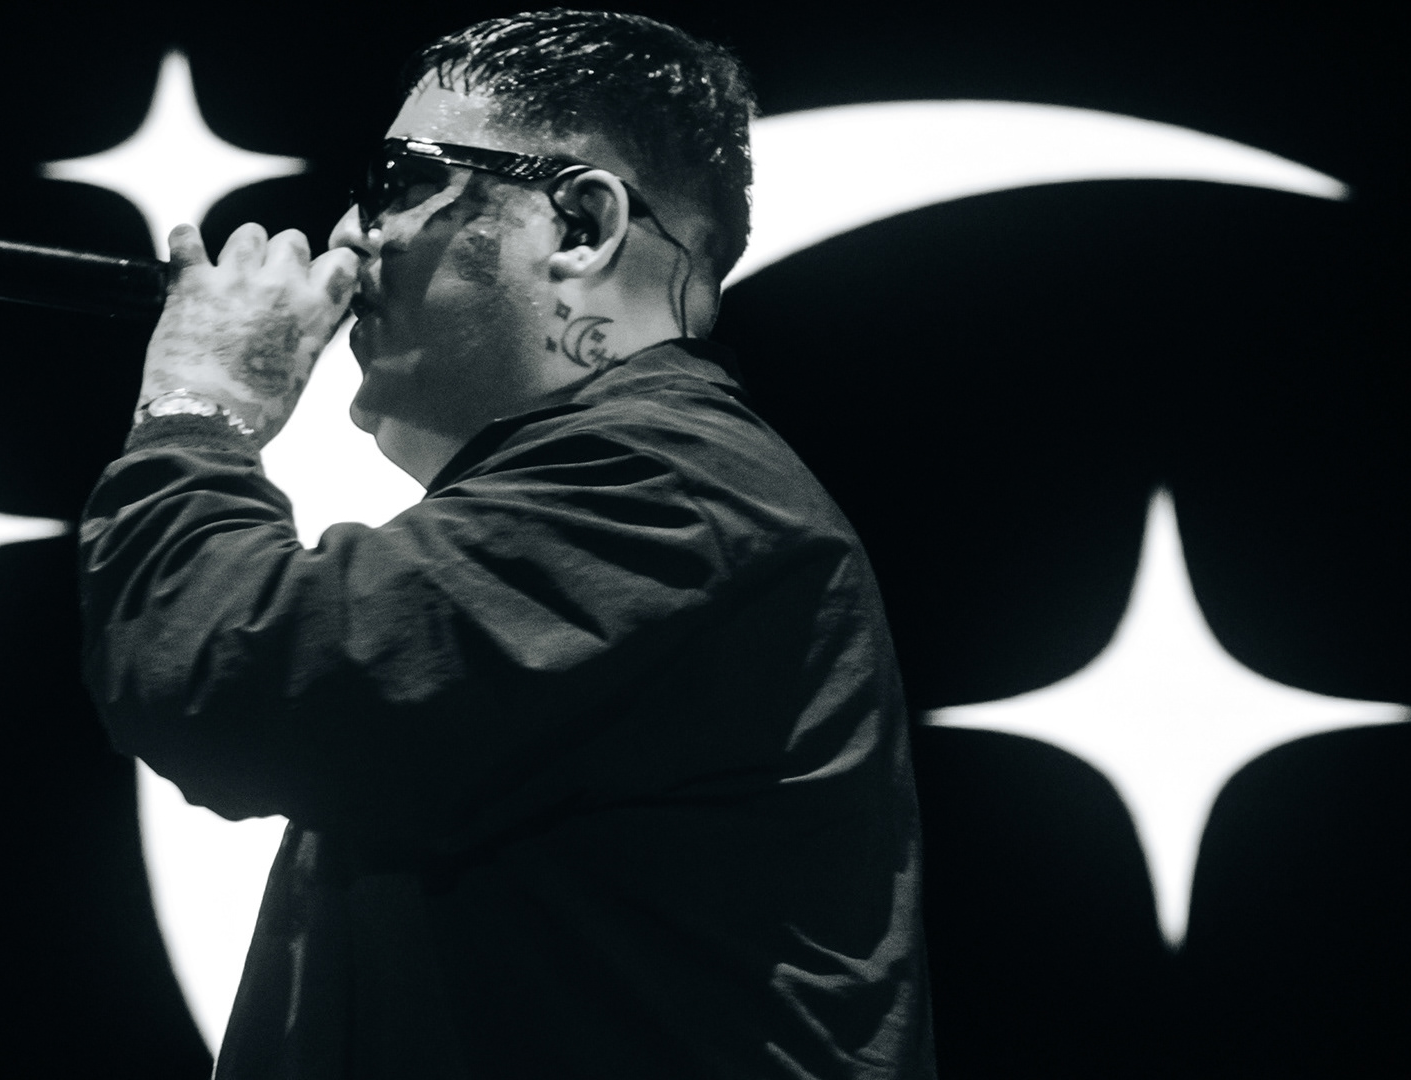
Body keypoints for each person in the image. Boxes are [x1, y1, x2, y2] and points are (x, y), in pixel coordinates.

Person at [79, 10, 936, 1078]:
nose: (349, 232)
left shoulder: (668, 495)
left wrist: (199, 407)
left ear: (581, 223)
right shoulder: (632, 485)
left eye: (400, 180)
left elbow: (230, 677)